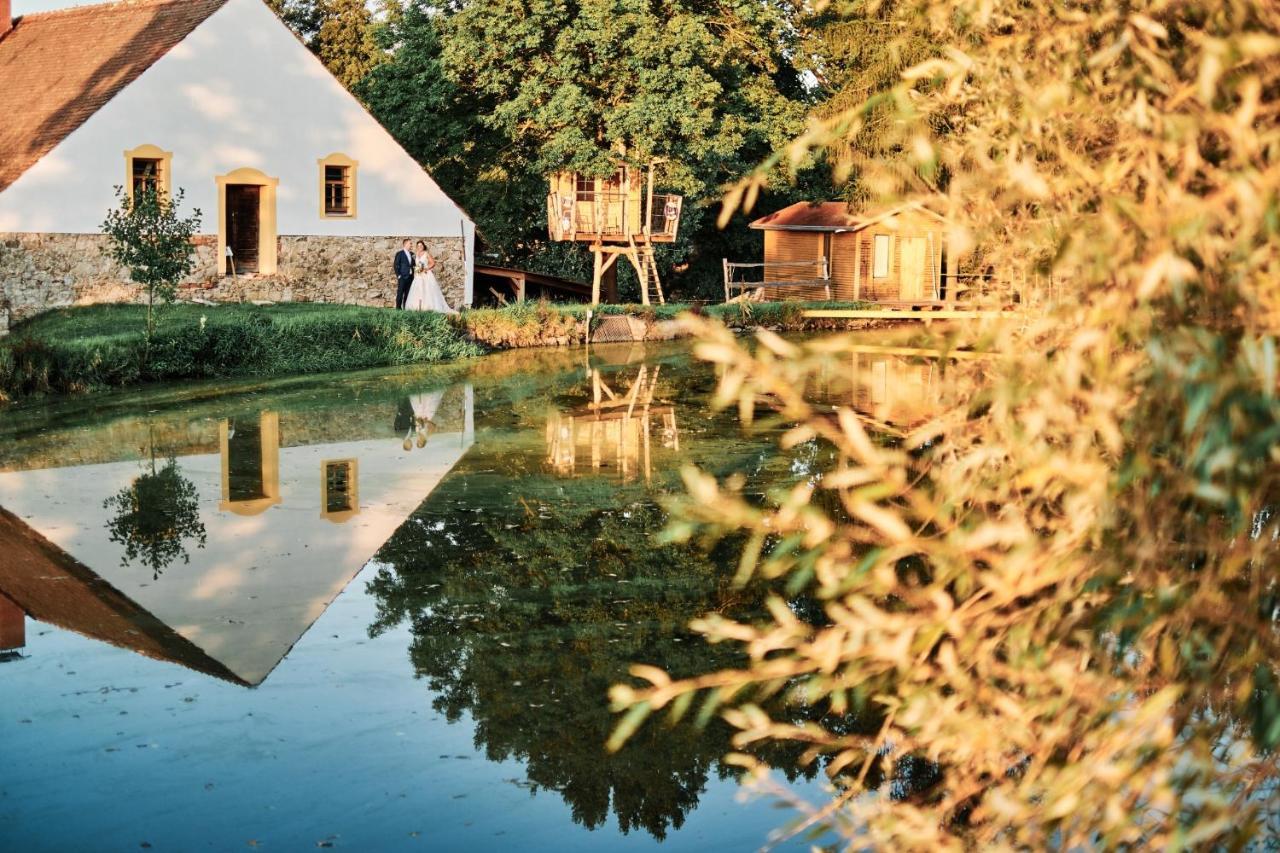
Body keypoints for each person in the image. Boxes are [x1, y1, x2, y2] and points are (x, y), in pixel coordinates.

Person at [403, 240, 458, 314]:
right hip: (418, 275)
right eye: (418, 246)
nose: (420, 247)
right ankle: (417, 307)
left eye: (421, 245)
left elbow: (433, 263)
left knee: (427, 290)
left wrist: (426, 268)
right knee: (418, 290)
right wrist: (417, 269)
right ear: (417, 247)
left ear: (423, 246)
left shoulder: (426, 253)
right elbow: (415, 264)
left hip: (426, 274)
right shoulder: (415, 254)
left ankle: (428, 306)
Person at [393, 238, 415, 310]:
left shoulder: (412, 254)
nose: (411, 245)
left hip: (410, 277)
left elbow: (415, 264)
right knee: (400, 293)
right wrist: (398, 275)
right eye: (410, 243)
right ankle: (398, 308)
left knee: (408, 294)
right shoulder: (399, 253)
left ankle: (406, 307)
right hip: (402, 277)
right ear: (405, 244)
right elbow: (396, 265)